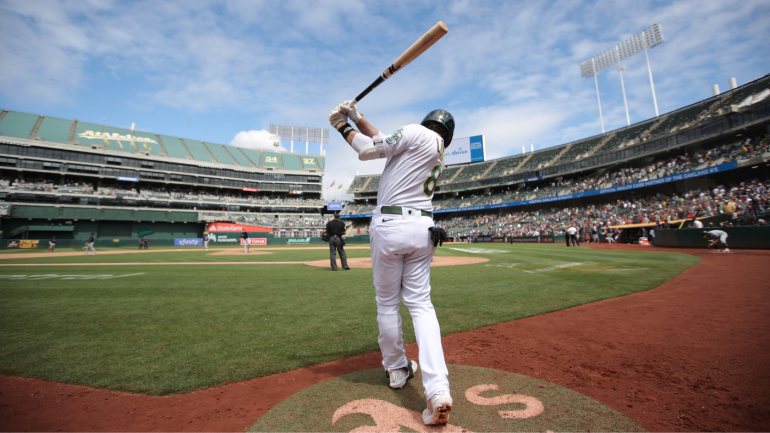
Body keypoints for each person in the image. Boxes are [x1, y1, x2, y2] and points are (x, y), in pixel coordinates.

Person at [329, 102, 453, 425]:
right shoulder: (437, 149)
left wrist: (340, 125)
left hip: (390, 225)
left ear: (426, 123)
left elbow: (368, 150)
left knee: (387, 303)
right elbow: (382, 139)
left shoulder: (415, 131)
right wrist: (356, 117)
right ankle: (438, 389)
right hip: (424, 229)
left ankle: (396, 369)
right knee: (421, 306)